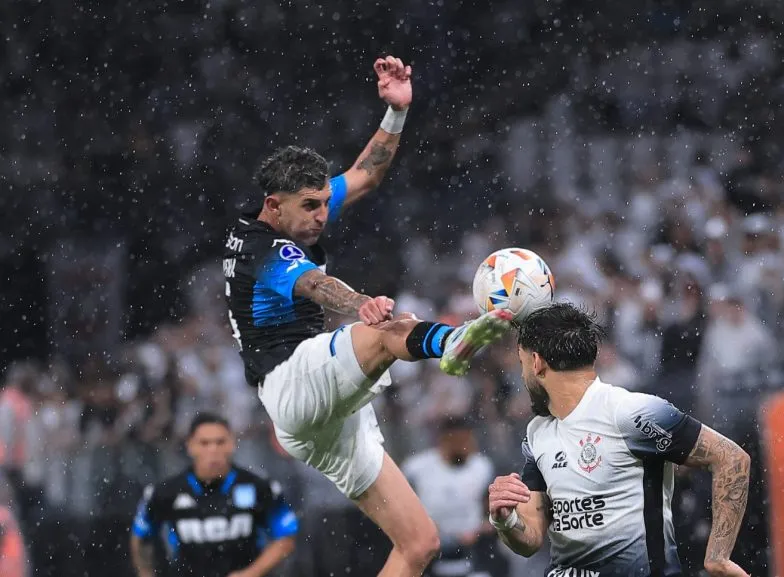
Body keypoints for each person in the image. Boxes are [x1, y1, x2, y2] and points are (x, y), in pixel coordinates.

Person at [223, 55, 513, 577]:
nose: (321, 215)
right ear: (273, 205)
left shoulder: (293, 212)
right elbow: (314, 284)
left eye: (323, 203)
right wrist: (360, 303)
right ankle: (450, 343)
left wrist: (396, 111)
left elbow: (366, 174)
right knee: (381, 332)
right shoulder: (260, 248)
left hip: (322, 418)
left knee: (419, 544)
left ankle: (442, 341)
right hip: (291, 380)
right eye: (310, 206)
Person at [486, 302, 753, 577]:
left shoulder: (629, 412)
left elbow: (731, 458)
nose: (522, 376)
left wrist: (718, 557)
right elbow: (530, 539)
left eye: (522, 364)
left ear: (537, 362)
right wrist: (505, 519)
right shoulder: (537, 432)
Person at [130, 413, 299, 577]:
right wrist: (145, 573)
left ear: (232, 444)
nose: (213, 450)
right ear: (190, 446)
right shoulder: (166, 492)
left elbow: (286, 536)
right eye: (204, 443)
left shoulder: (259, 487)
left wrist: (252, 573)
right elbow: (142, 536)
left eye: (220, 442)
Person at [403, 416, 498, 577]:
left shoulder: (482, 467)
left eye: (468, 441)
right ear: (444, 440)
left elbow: (492, 512)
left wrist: (480, 530)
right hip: (429, 549)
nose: (466, 447)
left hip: (472, 549)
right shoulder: (416, 469)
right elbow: (404, 510)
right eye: (460, 441)